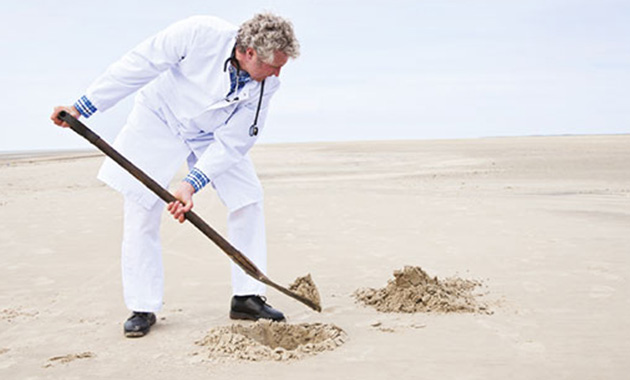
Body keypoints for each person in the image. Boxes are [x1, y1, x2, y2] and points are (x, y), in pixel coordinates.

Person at [50, 13, 300, 338]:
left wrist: (191, 183)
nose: (278, 73)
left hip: (213, 134)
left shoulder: (266, 84)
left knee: (247, 199)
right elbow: (139, 65)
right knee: (142, 208)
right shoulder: (197, 33)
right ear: (249, 52)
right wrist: (84, 106)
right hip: (160, 119)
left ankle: (247, 296)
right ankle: (143, 306)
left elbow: (235, 141)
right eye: (274, 65)